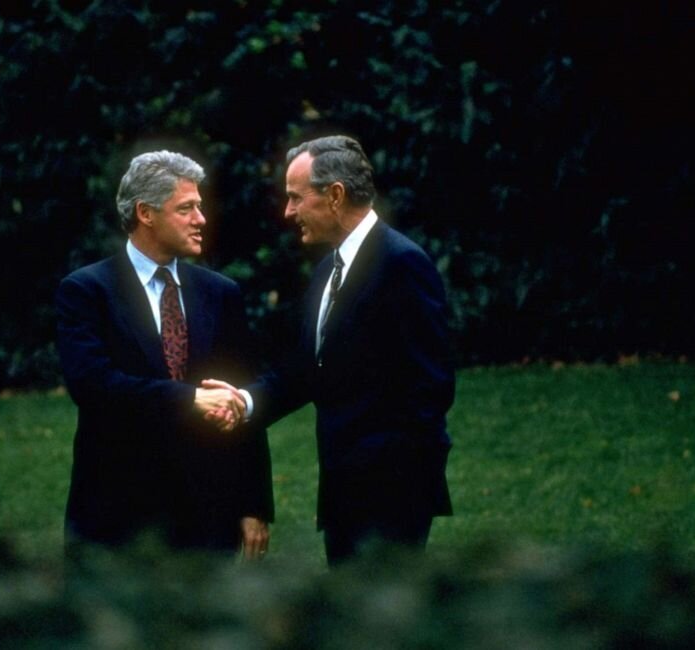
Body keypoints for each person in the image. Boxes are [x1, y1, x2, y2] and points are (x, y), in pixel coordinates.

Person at [204, 135, 455, 565]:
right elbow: (307, 368)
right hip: (343, 497)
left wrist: (388, 485)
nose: (288, 212)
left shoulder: (402, 264)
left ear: (335, 195)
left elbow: (431, 388)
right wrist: (244, 402)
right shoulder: (327, 270)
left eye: (296, 198)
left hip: (390, 501)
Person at [56, 150, 273, 560]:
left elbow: (241, 399)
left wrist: (253, 505)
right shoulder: (87, 291)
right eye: (186, 208)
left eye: (200, 206)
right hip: (117, 519)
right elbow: (93, 386)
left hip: (208, 519)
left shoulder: (221, 293)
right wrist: (190, 399)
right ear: (145, 213)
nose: (201, 219)